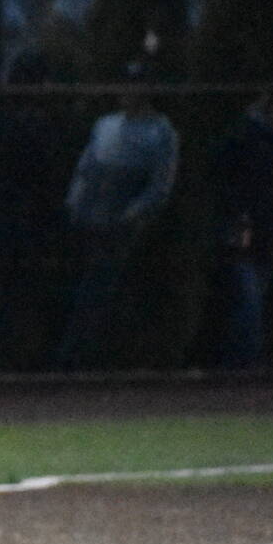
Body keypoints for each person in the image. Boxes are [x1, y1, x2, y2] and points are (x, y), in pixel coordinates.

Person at [55, 67, 179, 370]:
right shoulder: (106, 123)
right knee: (80, 291)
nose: (125, 92)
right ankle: (75, 359)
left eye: (133, 86)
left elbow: (159, 186)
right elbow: (85, 168)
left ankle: (83, 360)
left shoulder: (161, 131)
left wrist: (129, 216)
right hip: (86, 220)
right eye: (123, 85)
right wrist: (73, 204)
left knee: (103, 294)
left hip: (120, 228)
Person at [211, 87, 273, 368]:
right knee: (247, 301)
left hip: (269, 234)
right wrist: (239, 219)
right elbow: (226, 179)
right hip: (244, 231)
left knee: (254, 300)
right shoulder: (247, 137)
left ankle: (243, 366)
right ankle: (240, 368)